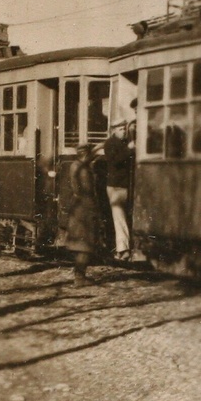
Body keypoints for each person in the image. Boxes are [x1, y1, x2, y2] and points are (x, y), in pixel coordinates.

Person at [65, 142, 100, 286]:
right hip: (85, 209)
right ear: (85, 155)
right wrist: (95, 210)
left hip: (77, 207)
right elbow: (88, 191)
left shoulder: (74, 165)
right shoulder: (84, 170)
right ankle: (80, 278)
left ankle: (79, 276)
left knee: (80, 245)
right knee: (85, 244)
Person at [103, 116, 134, 262]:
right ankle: (123, 250)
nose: (124, 132)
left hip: (125, 186)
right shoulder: (110, 143)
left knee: (122, 218)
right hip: (115, 187)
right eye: (121, 129)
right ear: (114, 131)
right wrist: (129, 150)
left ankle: (124, 249)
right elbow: (115, 161)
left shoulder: (124, 142)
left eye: (124, 129)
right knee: (119, 218)